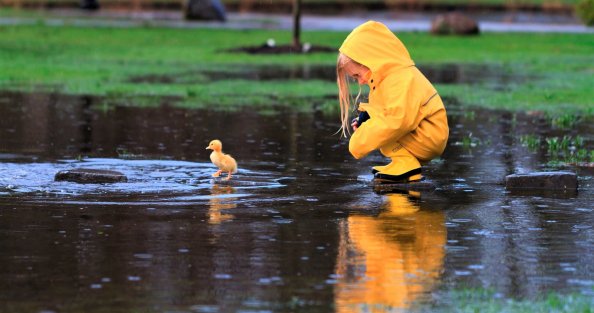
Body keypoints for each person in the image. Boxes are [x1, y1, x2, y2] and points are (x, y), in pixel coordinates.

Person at [336, 20, 449, 182]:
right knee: (380, 126)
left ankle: (407, 165)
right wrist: (366, 119)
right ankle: (403, 162)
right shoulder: (387, 79)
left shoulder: (401, 78)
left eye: (357, 75)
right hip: (422, 134)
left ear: (370, 61)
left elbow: (398, 121)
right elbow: (385, 110)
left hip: (429, 137)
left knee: (385, 129)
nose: (360, 82)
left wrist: (359, 141)